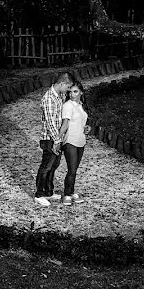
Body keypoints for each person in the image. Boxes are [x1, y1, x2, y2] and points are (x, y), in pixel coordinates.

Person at [34, 73, 73, 206]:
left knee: (54, 166)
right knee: (46, 166)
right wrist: (57, 141)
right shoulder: (49, 98)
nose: (68, 90)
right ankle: (39, 194)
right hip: (49, 139)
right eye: (67, 87)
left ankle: (48, 192)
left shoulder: (59, 96)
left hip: (57, 138)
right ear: (62, 84)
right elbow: (50, 123)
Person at [58, 76, 90, 206]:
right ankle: (67, 194)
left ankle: (71, 192)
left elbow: (83, 123)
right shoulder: (67, 106)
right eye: (70, 92)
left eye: (75, 91)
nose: (72, 94)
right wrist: (57, 140)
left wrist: (88, 127)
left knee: (74, 169)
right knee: (71, 169)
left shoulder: (82, 106)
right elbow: (65, 124)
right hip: (70, 140)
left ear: (81, 92)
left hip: (81, 140)